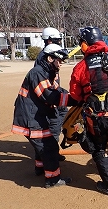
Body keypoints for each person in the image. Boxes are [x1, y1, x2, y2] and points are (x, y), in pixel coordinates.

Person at [69, 26, 108, 196]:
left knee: (99, 149)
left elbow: (75, 95)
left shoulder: (80, 66)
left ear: (85, 44)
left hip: (94, 118)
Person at [12, 44, 77, 188]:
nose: (60, 64)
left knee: (42, 146)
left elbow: (57, 89)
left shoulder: (47, 72)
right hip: (31, 118)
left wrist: (73, 96)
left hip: (35, 116)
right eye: (58, 60)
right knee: (49, 147)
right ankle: (53, 180)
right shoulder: (37, 72)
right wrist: (76, 100)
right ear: (49, 58)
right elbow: (50, 96)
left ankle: (40, 168)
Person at [34, 27, 67, 163]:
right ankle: (50, 156)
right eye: (56, 40)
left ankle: (48, 155)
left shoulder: (49, 55)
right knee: (53, 126)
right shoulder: (44, 58)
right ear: (48, 40)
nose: (59, 43)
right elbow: (46, 86)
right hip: (48, 98)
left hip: (52, 93)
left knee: (57, 123)